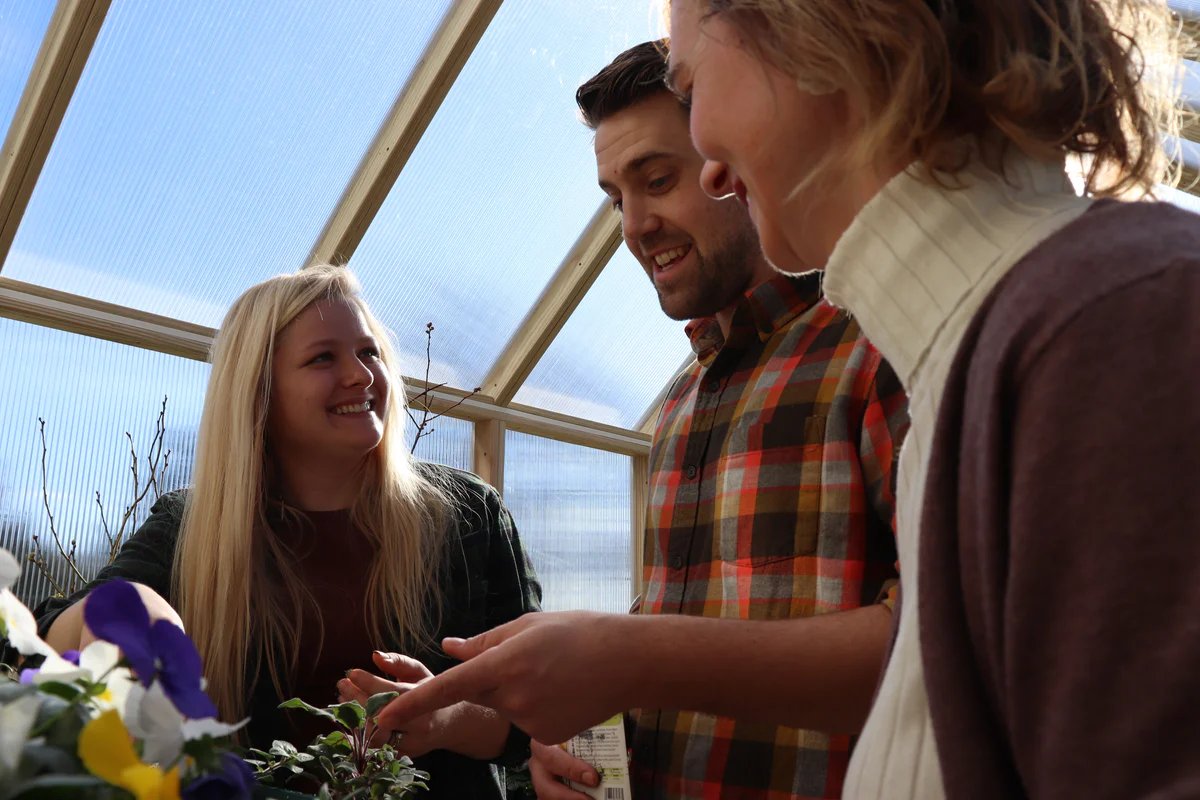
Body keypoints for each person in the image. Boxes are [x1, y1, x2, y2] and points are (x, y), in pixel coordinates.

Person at [661, 0, 1200, 797]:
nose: (706, 158)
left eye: (691, 83)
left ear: (818, 25)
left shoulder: (1113, 325)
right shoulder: (976, 368)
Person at [387, 40, 909, 800]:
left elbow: (951, 655)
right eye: (614, 199)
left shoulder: (876, 347)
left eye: (657, 180)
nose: (634, 225)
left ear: (739, 156)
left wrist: (630, 655)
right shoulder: (678, 406)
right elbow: (681, 651)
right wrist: (572, 744)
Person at [35, 265, 541, 800]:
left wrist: (448, 718)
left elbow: (537, 715)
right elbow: (38, 647)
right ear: (260, 392)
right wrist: (125, 605)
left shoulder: (467, 517)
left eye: (368, 352)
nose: (361, 375)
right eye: (324, 357)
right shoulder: (190, 528)